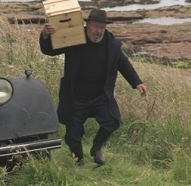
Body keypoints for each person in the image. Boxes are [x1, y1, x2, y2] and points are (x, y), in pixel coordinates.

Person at [39, 9, 147, 166]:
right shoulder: (74, 39)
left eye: (102, 27)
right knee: (72, 134)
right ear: (87, 24)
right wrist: (45, 34)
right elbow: (49, 50)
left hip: (100, 95)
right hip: (75, 94)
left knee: (113, 120)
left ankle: (96, 148)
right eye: (95, 26)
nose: (98, 31)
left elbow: (123, 63)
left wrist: (137, 82)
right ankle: (79, 159)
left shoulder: (111, 44)